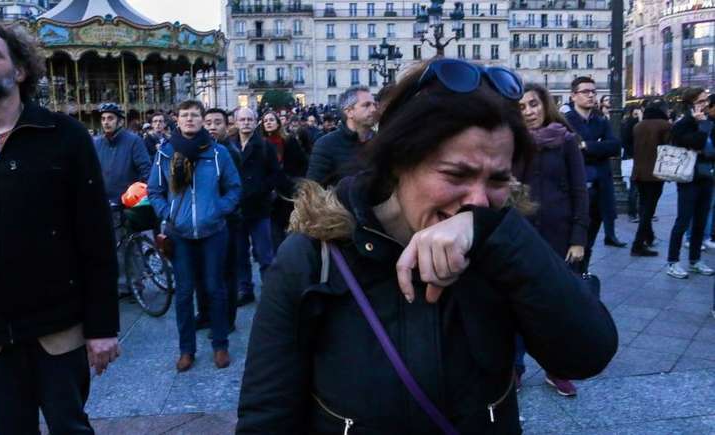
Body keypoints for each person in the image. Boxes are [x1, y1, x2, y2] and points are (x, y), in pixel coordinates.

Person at [236, 58, 618, 434]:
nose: (478, 202)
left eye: (498, 180)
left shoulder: (501, 243)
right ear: (398, 161)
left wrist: (507, 237)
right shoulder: (310, 257)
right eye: (456, 174)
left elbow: (586, 354)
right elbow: (265, 416)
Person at [0, 21, 120, 434]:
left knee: (70, 426)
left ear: (20, 70)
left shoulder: (64, 136)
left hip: (57, 323)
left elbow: (95, 236)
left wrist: (102, 326)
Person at [148, 100, 241, 371]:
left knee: (215, 288)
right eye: (185, 115)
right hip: (180, 234)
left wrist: (218, 210)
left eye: (195, 115)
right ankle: (186, 349)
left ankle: (220, 344)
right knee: (184, 292)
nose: (189, 119)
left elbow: (234, 187)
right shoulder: (165, 153)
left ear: (202, 120)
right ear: (177, 120)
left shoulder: (218, 152)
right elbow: (154, 190)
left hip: (213, 231)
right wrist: (167, 213)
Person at [516, 83, 589, 397]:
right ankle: (515, 367)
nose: (529, 112)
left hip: (559, 234)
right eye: (521, 107)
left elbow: (579, 190)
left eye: (533, 104)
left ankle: (556, 369)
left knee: (557, 307)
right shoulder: (512, 143)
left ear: (544, 105)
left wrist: (579, 237)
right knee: (518, 303)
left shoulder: (566, 140)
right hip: (522, 235)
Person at [565, 77, 624, 273]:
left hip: (600, 191)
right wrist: (599, 147)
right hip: (577, 191)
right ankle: (570, 280)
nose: (591, 95)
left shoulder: (601, 120)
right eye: (585, 92)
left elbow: (614, 146)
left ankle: (582, 276)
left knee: (589, 244)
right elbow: (570, 151)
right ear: (573, 96)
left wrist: (586, 145)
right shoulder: (566, 121)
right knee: (572, 243)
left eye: (593, 91)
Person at [93, 102, 152, 297]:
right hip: (106, 203)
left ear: (120, 121)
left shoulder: (133, 141)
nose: (106, 122)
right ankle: (121, 284)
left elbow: (145, 168)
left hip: (128, 202)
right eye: (103, 119)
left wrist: (138, 193)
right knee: (113, 246)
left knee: (131, 245)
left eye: (110, 118)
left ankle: (135, 285)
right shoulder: (97, 143)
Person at [194, 108, 243, 332]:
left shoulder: (229, 152)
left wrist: (220, 209)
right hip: (202, 222)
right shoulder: (199, 150)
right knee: (202, 271)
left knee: (225, 273)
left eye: (217, 122)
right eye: (208, 122)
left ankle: (226, 320)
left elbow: (235, 190)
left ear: (227, 126)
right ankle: (205, 314)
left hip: (226, 220)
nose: (212, 127)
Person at [231, 108, 280, 307]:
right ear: (235, 122)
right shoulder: (230, 146)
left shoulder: (266, 146)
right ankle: (245, 289)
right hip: (236, 208)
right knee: (240, 253)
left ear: (255, 122)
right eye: (242, 119)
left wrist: (261, 189)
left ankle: (270, 291)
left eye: (249, 119)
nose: (246, 123)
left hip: (259, 207)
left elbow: (275, 174)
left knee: (265, 253)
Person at [666, 88, 715, 279]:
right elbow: (695, 143)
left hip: (707, 176)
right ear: (690, 104)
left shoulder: (708, 122)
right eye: (700, 101)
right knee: (683, 220)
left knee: (701, 221)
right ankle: (673, 262)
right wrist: (701, 127)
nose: (705, 105)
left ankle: (695, 260)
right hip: (688, 178)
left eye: (706, 101)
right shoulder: (682, 124)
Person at [307, 86, 378, 186]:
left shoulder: (380, 141)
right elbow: (314, 188)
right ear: (349, 112)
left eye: (375, 105)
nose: (374, 109)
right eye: (366, 105)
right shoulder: (326, 145)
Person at [260, 110, 308, 250]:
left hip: (288, 191)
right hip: (270, 193)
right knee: (274, 233)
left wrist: (294, 181)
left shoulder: (289, 141)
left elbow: (302, 163)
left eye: (271, 120)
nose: (268, 123)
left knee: (290, 228)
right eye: (265, 121)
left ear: (278, 123)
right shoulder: (260, 144)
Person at [629, 101, 671, 257]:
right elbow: (669, 147)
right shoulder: (665, 126)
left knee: (644, 206)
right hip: (655, 173)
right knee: (649, 209)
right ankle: (638, 244)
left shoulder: (638, 126)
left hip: (638, 171)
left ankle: (649, 236)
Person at [622, 105, 643, 222]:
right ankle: (633, 213)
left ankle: (639, 212)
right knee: (634, 188)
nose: (638, 117)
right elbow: (626, 141)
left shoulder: (639, 124)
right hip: (632, 158)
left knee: (639, 188)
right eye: (635, 114)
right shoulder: (630, 125)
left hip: (640, 158)